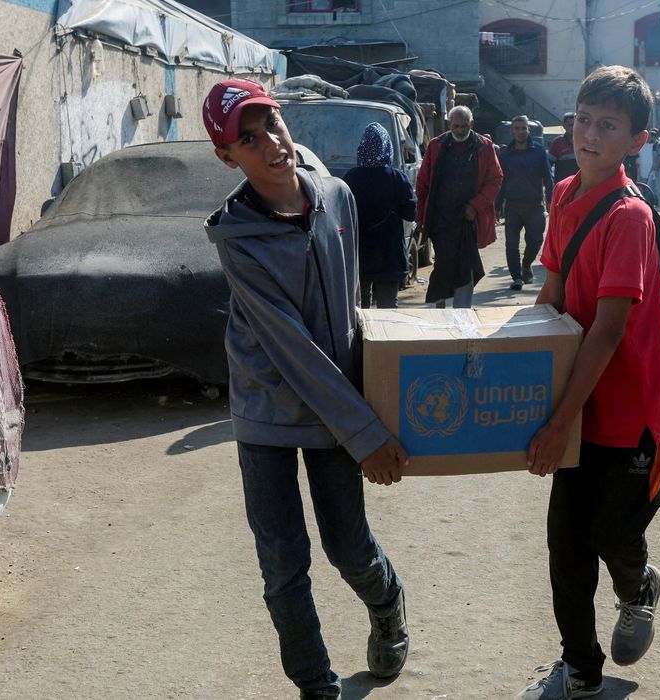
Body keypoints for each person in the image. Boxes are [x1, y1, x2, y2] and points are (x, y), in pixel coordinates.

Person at [200, 79, 410, 699]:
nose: (270, 144)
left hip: (332, 408)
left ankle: (388, 604)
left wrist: (374, 400)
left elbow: (350, 317)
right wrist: (367, 433)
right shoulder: (237, 238)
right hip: (268, 407)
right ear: (227, 157)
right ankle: (316, 685)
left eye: (271, 124)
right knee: (283, 565)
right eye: (248, 139)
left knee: (348, 547)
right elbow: (290, 347)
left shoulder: (337, 198)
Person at [517, 65, 660, 700]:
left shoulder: (630, 218)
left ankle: (638, 588)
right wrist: (506, 353)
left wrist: (557, 425)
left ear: (637, 141)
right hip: (576, 399)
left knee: (614, 533)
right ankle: (580, 668)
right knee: (566, 547)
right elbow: (552, 292)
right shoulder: (562, 195)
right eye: (583, 119)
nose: (590, 133)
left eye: (608, 125)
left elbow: (607, 332)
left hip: (630, 411)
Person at [415, 105, 503, 308]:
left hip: (468, 219)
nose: (460, 130)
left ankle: (462, 311)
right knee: (443, 263)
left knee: (466, 265)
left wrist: (475, 205)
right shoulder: (437, 145)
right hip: (440, 219)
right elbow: (423, 184)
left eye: (464, 126)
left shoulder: (484, 146)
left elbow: (495, 179)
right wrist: (421, 216)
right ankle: (440, 308)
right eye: (456, 126)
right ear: (449, 125)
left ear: (471, 124)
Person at [343, 122, 417, 308]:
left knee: (359, 307)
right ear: (387, 147)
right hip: (389, 256)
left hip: (359, 255)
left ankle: (361, 338)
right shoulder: (397, 177)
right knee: (387, 310)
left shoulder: (350, 178)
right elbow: (411, 214)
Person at [496, 114, 554, 291]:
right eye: (517, 128)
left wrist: (550, 200)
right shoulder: (505, 155)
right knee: (511, 244)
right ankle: (517, 277)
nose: (520, 132)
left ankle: (526, 264)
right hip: (513, 207)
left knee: (535, 241)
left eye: (523, 128)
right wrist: (497, 205)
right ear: (512, 131)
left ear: (528, 130)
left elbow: (548, 178)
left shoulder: (538, 152)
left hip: (535, 207)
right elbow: (501, 182)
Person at [636, 127, 660, 209]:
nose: (649, 138)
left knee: (659, 187)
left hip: (659, 170)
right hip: (654, 169)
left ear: (654, 137)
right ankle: (657, 202)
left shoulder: (659, 145)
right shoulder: (654, 145)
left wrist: (656, 170)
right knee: (650, 187)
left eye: (650, 137)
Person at [549, 111, 578, 184]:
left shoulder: (584, 141)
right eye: (571, 125)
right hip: (563, 188)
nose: (573, 128)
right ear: (564, 126)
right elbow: (548, 166)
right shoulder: (557, 143)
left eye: (575, 125)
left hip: (580, 187)